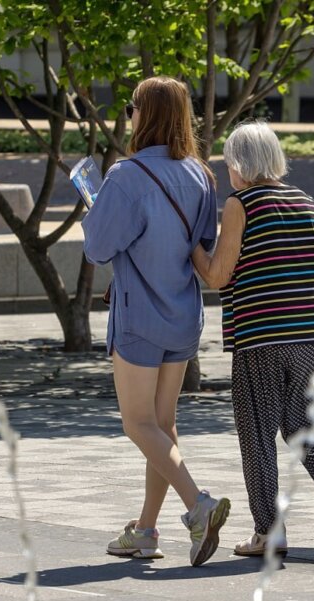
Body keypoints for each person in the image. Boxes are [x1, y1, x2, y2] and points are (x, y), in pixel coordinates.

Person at [191, 120, 314, 557]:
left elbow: (219, 274)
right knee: (305, 426)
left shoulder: (241, 203)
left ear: (237, 164)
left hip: (260, 341)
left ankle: (269, 531)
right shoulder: (307, 202)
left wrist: (189, 245)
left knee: (257, 433)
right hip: (309, 338)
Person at [82, 76, 230, 567]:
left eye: (132, 107)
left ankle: (198, 506)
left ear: (146, 114)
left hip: (140, 316)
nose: (129, 116)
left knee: (137, 423)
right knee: (162, 427)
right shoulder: (201, 176)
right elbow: (200, 244)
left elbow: (98, 247)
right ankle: (146, 530)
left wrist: (95, 209)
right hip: (184, 315)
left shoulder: (126, 176)